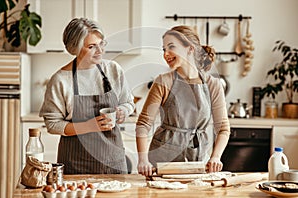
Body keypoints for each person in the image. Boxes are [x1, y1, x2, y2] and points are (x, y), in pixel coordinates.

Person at [39, 18, 135, 174]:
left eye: (101, 44)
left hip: (112, 161)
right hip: (76, 163)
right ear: (75, 48)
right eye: (92, 47)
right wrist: (90, 126)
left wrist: (122, 112)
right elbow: (52, 124)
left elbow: (129, 102)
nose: (100, 51)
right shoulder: (61, 80)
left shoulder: (113, 70)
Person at [136, 25, 230, 176]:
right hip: (162, 162)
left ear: (190, 49)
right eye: (164, 49)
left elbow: (223, 128)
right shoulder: (163, 82)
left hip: (198, 162)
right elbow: (143, 124)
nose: (166, 54)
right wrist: (143, 160)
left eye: (171, 47)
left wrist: (216, 157)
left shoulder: (213, 84)